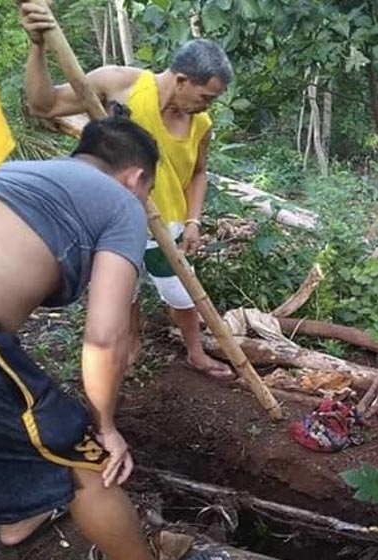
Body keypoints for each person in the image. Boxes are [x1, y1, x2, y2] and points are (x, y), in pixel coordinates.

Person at [0, 117, 230, 560]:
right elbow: (104, 336)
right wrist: (104, 426)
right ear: (137, 178)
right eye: (147, 194)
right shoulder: (121, 203)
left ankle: (19, 516)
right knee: (88, 466)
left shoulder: (19, 175)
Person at [20, 1, 235, 380]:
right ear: (183, 79)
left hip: (166, 226)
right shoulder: (120, 84)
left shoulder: (201, 124)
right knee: (125, 291)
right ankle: (132, 342)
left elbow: (200, 172)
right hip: (113, 221)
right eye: (205, 97)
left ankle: (196, 351)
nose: (205, 108)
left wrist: (193, 220)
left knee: (183, 294)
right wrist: (36, 47)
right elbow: (44, 104)